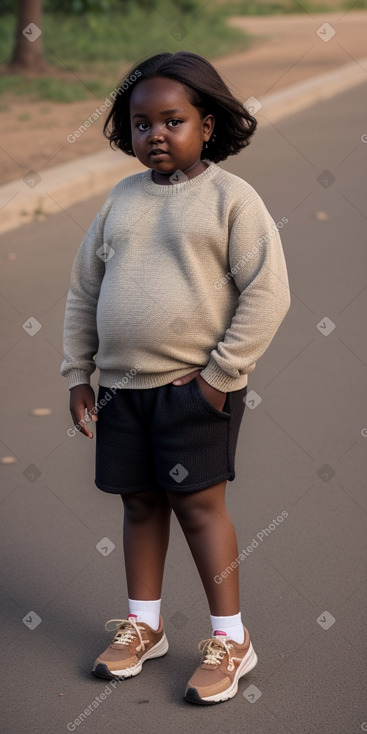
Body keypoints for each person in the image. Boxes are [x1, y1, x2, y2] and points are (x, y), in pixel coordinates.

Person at [60, 50, 291, 705]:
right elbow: (84, 289)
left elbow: (267, 292)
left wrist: (221, 375)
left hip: (194, 387)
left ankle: (230, 638)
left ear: (206, 125)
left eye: (172, 121)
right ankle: (144, 625)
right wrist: (79, 372)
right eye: (140, 124)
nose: (154, 134)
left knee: (197, 507)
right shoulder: (119, 200)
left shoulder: (229, 199)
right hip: (121, 390)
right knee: (138, 502)